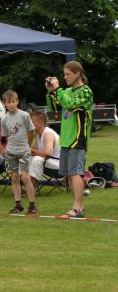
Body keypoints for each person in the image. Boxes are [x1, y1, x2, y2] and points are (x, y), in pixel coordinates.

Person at [46, 61, 93, 218]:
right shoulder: (66, 90)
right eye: (64, 74)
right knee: (69, 175)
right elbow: (54, 108)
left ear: (77, 73)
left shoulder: (85, 91)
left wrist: (59, 89)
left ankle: (77, 208)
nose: (65, 77)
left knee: (75, 173)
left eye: (68, 74)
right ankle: (79, 206)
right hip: (66, 139)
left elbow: (70, 104)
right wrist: (51, 92)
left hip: (77, 138)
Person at [1, 90, 37, 214]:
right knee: (15, 178)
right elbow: (6, 136)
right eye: (8, 102)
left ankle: (32, 205)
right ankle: (18, 204)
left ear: (17, 102)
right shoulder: (4, 119)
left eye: (13, 101)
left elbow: (32, 131)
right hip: (11, 152)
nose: (11, 104)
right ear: (4, 104)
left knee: (25, 178)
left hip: (24, 151)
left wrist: (28, 144)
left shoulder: (24, 115)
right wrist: (7, 149)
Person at [29, 111, 60, 189]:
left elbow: (47, 153)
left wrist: (31, 151)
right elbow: (35, 149)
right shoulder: (37, 134)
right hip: (50, 162)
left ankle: (33, 188)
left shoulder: (47, 134)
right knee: (27, 157)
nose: (29, 124)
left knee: (36, 159)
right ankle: (26, 184)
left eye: (31, 122)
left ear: (40, 123)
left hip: (58, 164)